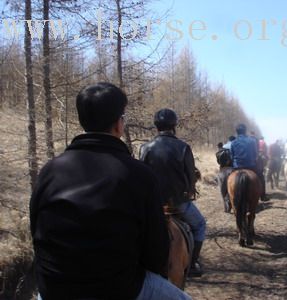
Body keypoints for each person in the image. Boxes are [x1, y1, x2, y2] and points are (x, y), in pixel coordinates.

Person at [30, 83, 191, 300]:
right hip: (119, 289)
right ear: (118, 124)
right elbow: (156, 255)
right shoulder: (139, 174)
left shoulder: (49, 171)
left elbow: (36, 233)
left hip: (54, 289)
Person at [140, 108, 206, 278]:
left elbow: (142, 176)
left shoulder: (145, 148)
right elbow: (191, 176)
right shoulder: (183, 147)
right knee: (199, 225)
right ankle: (192, 264)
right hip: (179, 203)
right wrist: (189, 191)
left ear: (156, 126)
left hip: (153, 206)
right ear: (174, 125)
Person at [231, 124, 267, 201]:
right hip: (251, 166)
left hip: (237, 167)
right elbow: (255, 154)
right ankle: (263, 196)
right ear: (245, 131)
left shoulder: (233, 142)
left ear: (237, 132)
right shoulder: (252, 141)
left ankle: (229, 198)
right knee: (261, 178)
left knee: (229, 180)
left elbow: (232, 156)